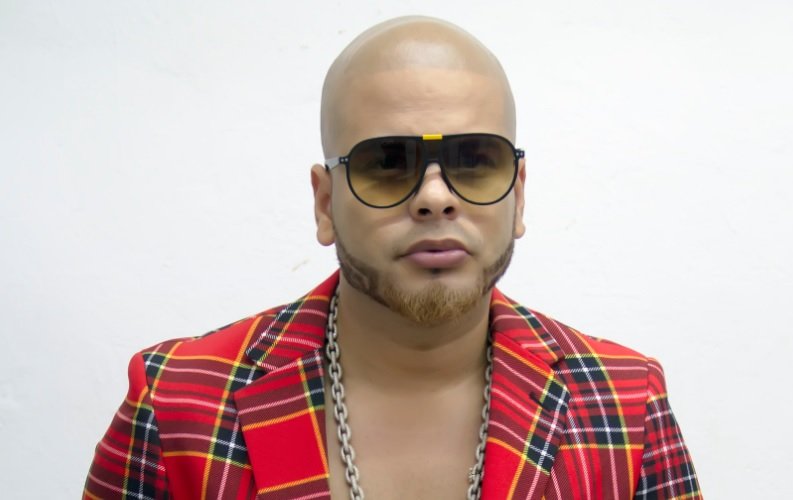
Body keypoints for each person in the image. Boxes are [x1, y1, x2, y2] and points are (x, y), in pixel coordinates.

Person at [84, 16, 701, 500]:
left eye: (474, 160)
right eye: (387, 163)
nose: (435, 197)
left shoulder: (624, 406)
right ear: (324, 204)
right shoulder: (179, 407)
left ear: (518, 196)